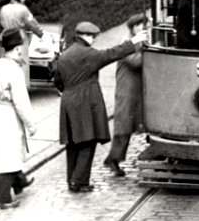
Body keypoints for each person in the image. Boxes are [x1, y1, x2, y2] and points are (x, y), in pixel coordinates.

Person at [57, 20, 148, 192]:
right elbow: (112, 54)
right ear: (83, 36)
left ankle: (71, 179)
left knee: (72, 143)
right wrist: (134, 42)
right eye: (91, 36)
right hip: (85, 101)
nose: (94, 39)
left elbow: (57, 80)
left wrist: (69, 92)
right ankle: (80, 181)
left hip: (68, 102)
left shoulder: (65, 55)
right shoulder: (89, 54)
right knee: (87, 141)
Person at [0, 28, 37, 210]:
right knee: (8, 154)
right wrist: (31, 124)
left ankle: (19, 182)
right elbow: (21, 102)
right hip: (8, 114)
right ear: (18, 49)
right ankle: (1, 198)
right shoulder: (15, 71)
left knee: (5, 150)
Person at [103, 13, 149, 178]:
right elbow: (136, 62)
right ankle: (112, 159)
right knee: (123, 127)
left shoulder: (138, 43)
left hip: (134, 92)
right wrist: (149, 49)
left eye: (144, 26)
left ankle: (115, 159)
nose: (143, 29)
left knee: (129, 126)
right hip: (126, 92)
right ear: (134, 28)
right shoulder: (126, 44)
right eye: (140, 26)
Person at [0, 0, 44, 76]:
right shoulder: (23, 9)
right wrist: (40, 33)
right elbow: (31, 23)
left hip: (5, 36)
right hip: (19, 37)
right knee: (21, 64)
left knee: (6, 63)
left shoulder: (3, 9)